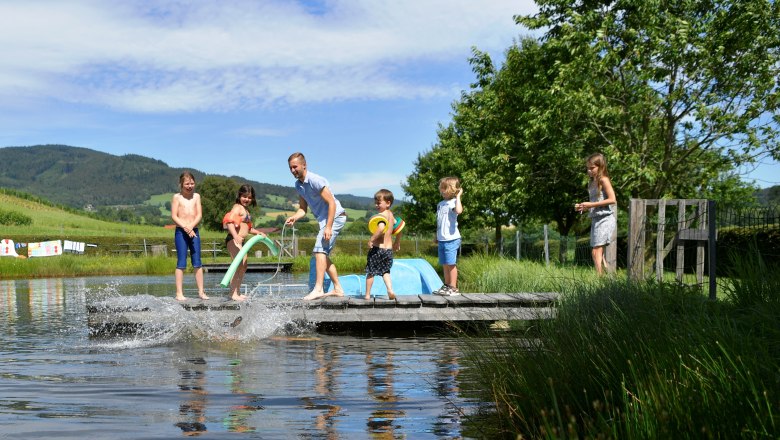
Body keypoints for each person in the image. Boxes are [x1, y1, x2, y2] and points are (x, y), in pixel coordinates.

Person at [285, 152, 347, 300]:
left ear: (304, 165)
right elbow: (302, 209)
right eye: (290, 168)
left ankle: (318, 289)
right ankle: (338, 288)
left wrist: (328, 227)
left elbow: (331, 203)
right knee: (322, 255)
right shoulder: (298, 185)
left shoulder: (314, 180)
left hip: (335, 217)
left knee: (319, 252)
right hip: (325, 220)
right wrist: (294, 217)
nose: (293, 170)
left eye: (295, 167)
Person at [575, 152, 617, 275]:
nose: (589, 171)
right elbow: (596, 202)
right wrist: (584, 207)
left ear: (601, 166)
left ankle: (599, 280)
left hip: (605, 218)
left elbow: (612, 199)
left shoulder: (603, 180)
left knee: (596, 251)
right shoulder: (591, 183)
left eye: (592, 168)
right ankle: (607, 281)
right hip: (595, 219)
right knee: (599, 253)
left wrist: (591, 205)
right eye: (587, 168)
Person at [223, 184, 266, 301]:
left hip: (241, 242)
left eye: (249, 197)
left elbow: (249, 228)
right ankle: (232, 293)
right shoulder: (237, 207)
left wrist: (258, 233)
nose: (247, 199)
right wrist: (236, 236)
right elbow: (229, 221)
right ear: (239, 195)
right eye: (244, 196)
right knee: (237, 266)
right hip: (233, 240)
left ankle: (237, 291)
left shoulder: (246, 210)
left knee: (243, 266)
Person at [172, 171, 208, 301]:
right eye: (187, 184)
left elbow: (199, 215)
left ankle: (201, 292)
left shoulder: (197, 196)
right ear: (181, 184)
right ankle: (179, 293)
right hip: (181, 232)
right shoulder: (177, 197)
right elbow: (174, 216)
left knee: (197, 262)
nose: (190, 186)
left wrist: (191, 227)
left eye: (192, 183)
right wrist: (186, 228)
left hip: (194, 231)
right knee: (181, 262)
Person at [365, 189, 402, 300]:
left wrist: (372, 239)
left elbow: (381, 228)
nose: (376, 205)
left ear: (388, 203)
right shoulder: (391, 215)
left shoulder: (381, 216)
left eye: (378, 203)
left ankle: (367, 295)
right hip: (388, 250)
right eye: (375, 202)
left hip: (377, 249)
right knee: (385, 272)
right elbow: (399, 228)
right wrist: (397, 242)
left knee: (370, 272)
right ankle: (390, 290)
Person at [432, 177, 463, 296]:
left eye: (445, 188)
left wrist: (458, 196)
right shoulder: (440, 204)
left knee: (451, 264)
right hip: (442, 239)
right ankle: (447, 285)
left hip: (452, 239)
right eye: (441, 188)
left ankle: (453, 287)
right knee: (445, 263)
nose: (442, 190)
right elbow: (440, 221)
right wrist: (437, 235)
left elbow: (459, 211)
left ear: (452, 189)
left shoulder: (454, 202)